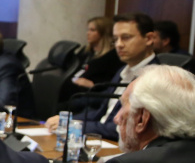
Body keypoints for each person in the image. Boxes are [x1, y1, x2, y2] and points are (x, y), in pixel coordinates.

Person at [45, 13, 163, 141]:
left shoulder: (154, 78)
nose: (119, 44)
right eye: (115, 39)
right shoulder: (122, 71)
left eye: (126, 38)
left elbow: (121, 128)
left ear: (149, 38)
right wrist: (69, 120)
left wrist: (74, 125)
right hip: (100, 138)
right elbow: (102, 113)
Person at [72, 16, 123, 89]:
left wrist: (93, 85)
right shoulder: (86, 51)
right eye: (88, 30)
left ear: (104, 32)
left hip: (90, 92)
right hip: (74, 84)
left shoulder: (113, 56)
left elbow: (111, 81)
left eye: (92, 30)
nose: (88, 33)